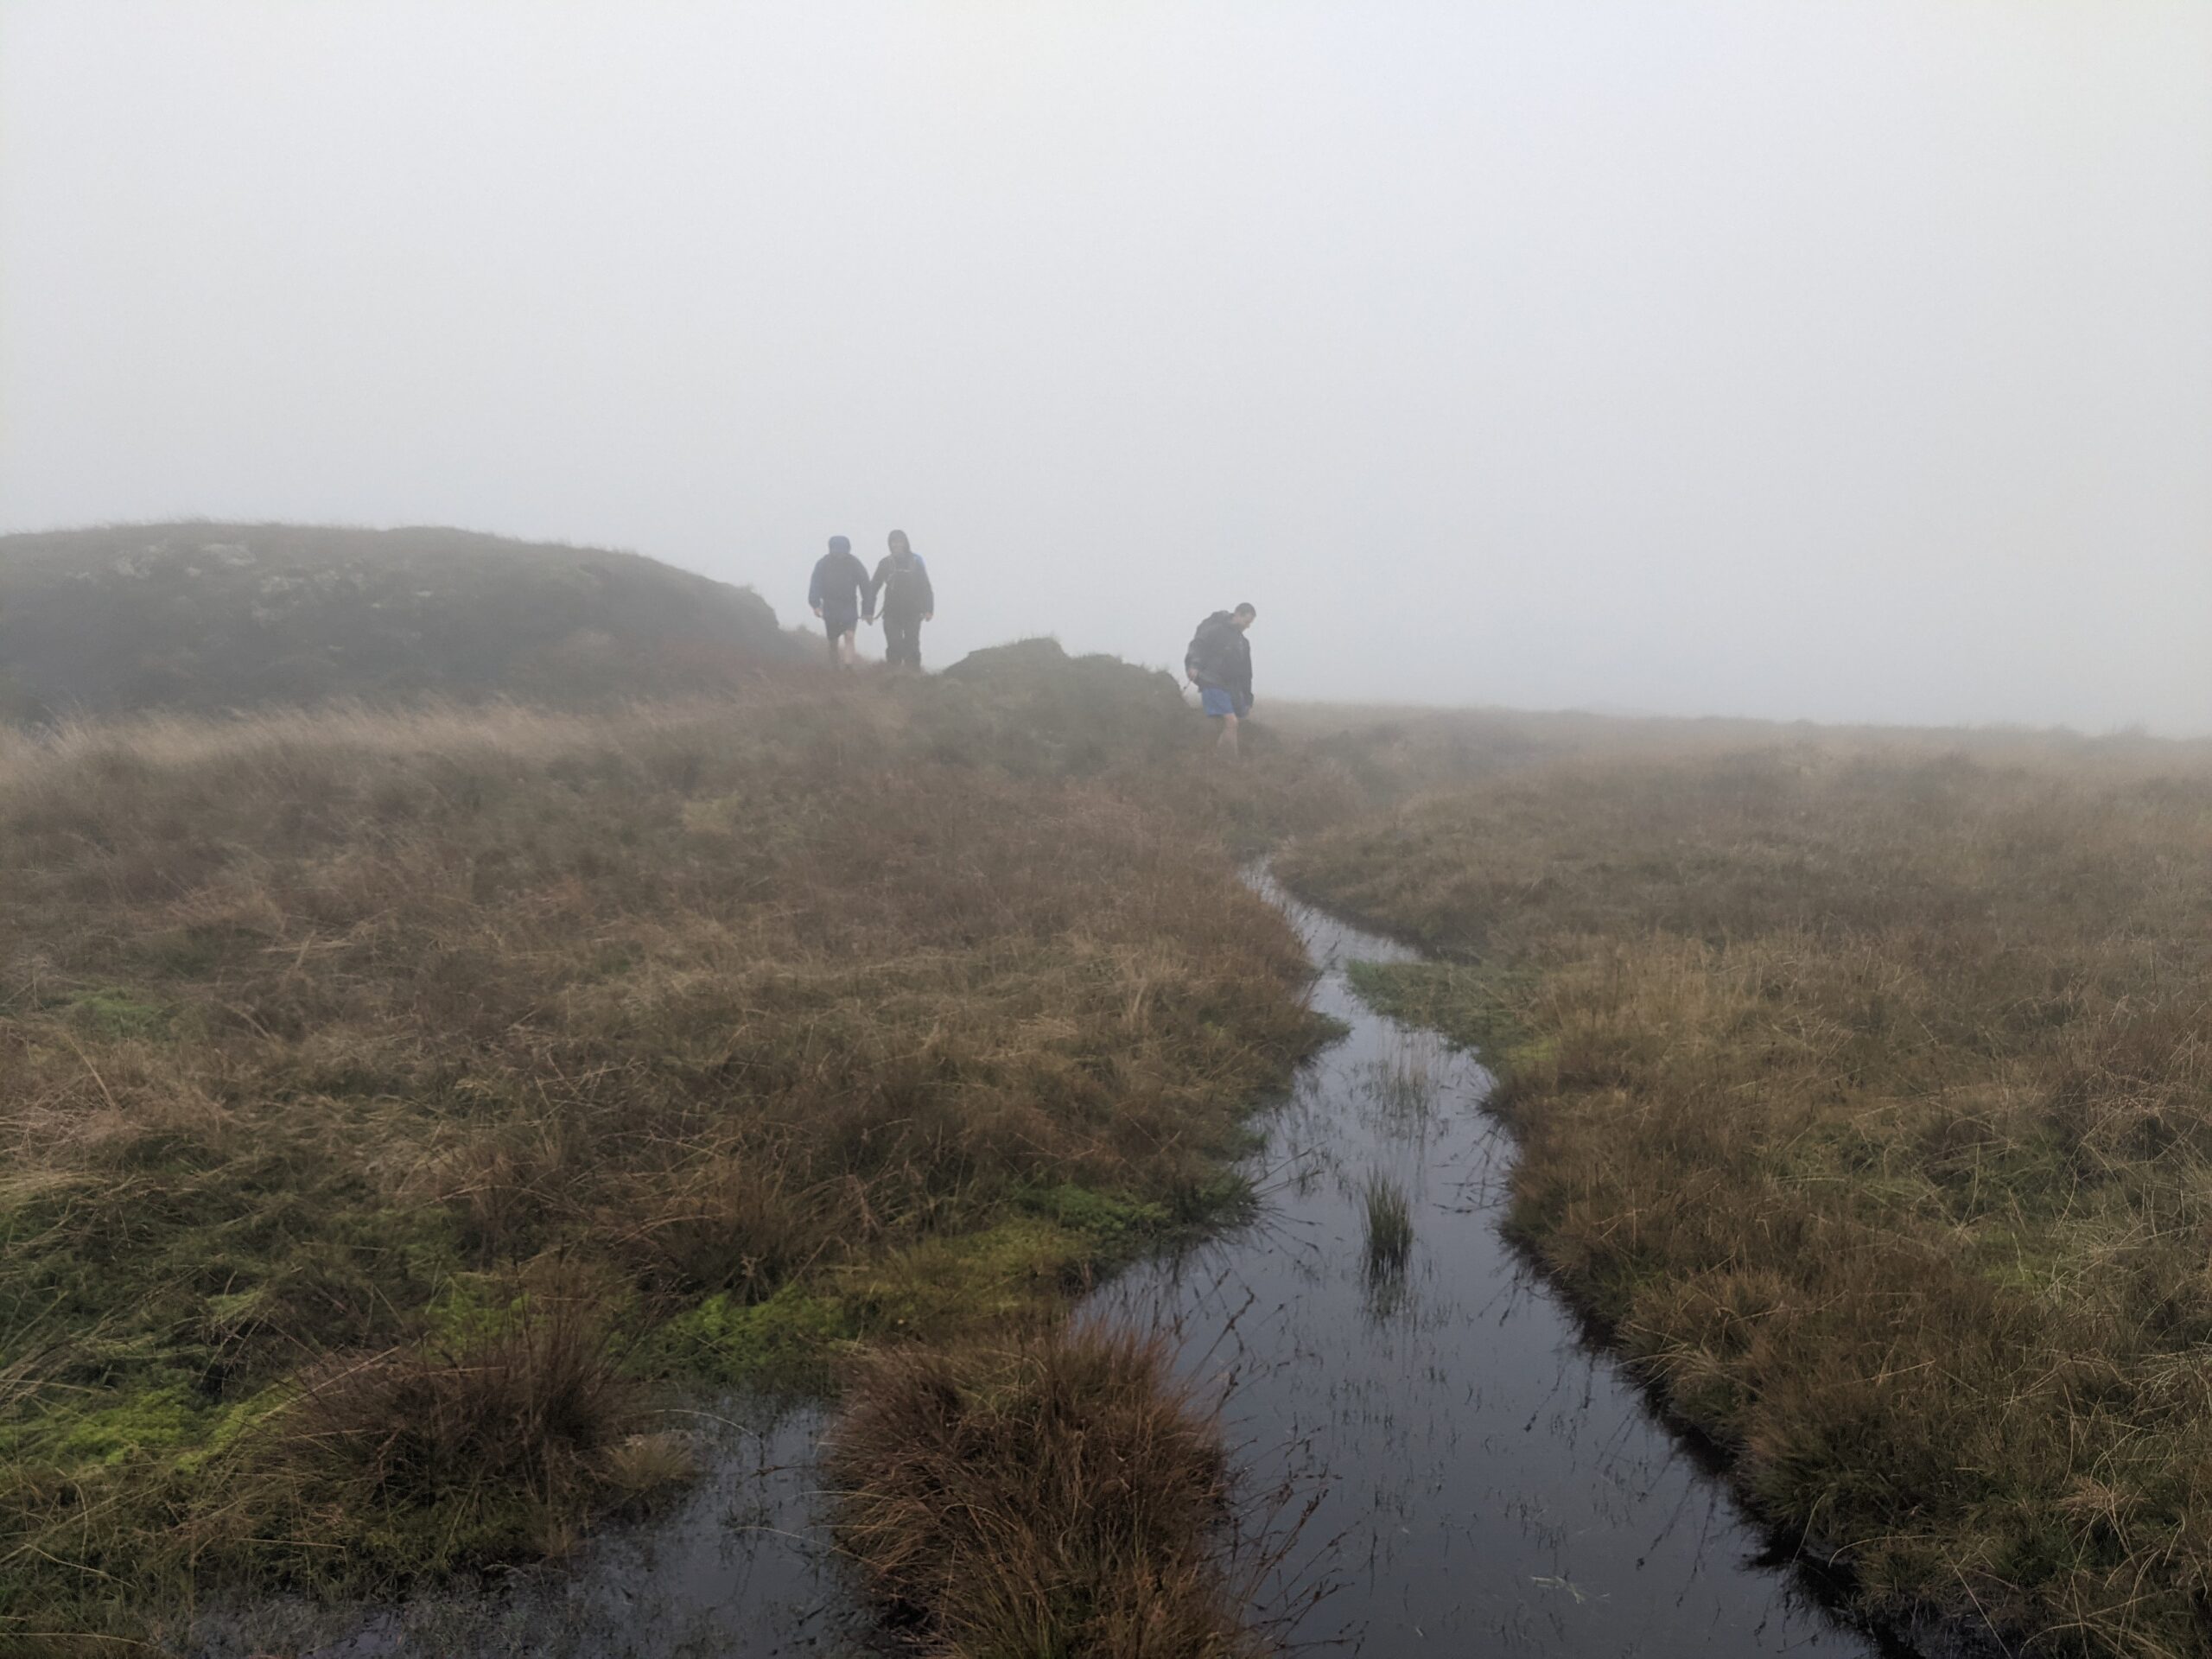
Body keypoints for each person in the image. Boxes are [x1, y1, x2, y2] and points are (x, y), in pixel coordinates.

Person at [1184, 602, 1256, 758]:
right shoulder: (1216, 631)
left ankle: (1218, 759)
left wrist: (1248, 697)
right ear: (1237, 614)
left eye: (1250, 623)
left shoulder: (1243, 643)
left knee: (1228, 724)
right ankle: (1229, 762)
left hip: (1230, 688)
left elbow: (1246, 672)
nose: (1248, 626)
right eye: (1246, 621)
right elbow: (1198, 645)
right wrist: (1194, 665)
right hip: (1212, 682)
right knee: (1231, 722)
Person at [869, 530, 934, 670]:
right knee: (894, 645)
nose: (896, 545)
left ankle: (914, 678)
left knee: (912, 645)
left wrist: (929, 609)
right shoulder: (885, 563)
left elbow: (925, 586)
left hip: (913, 611)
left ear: (905, 543)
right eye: (893, 542)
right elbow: (873, 587)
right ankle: (893, 677)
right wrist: (868, 611)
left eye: (899, 541)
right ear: (889, 544)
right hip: (891, 612)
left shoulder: (916, 562)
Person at [808, 534, 872, 668]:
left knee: (849, 635)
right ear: (831, 549)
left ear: (848, 550)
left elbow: (865, 586)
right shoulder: (823, 563)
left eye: (842, 551)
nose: (839, 555)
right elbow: (816, 583)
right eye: (836, 551)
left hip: (849, 605)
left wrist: (867, 610)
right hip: (830, 606)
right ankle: (834, 666)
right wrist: (815, 604)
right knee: (833, 640)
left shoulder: (854, 564)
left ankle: (848, 667)